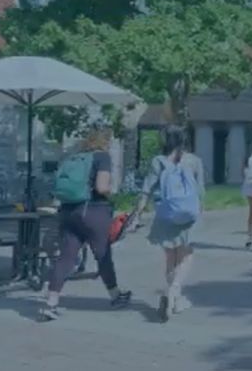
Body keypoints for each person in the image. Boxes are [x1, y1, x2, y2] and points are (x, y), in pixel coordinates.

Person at [41, 127, 132, 322]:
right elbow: (101, 187)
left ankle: (51, 303)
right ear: (105, 141)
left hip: (68, 211)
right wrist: (113, 195)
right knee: (103, 255)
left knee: (65, 258)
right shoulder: (102, 157)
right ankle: (115, 295)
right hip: (93, 211)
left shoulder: (74, 158)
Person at [140, 125, 206, 322]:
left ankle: (174, 298)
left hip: (166, 214)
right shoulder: (194, 161)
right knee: (186, 255)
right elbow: (200, 191)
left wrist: (138, 212)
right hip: (188, 213)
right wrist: (199, 212)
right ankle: (174, 291)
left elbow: (147, 189)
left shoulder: (158, 161)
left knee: (170, 256)